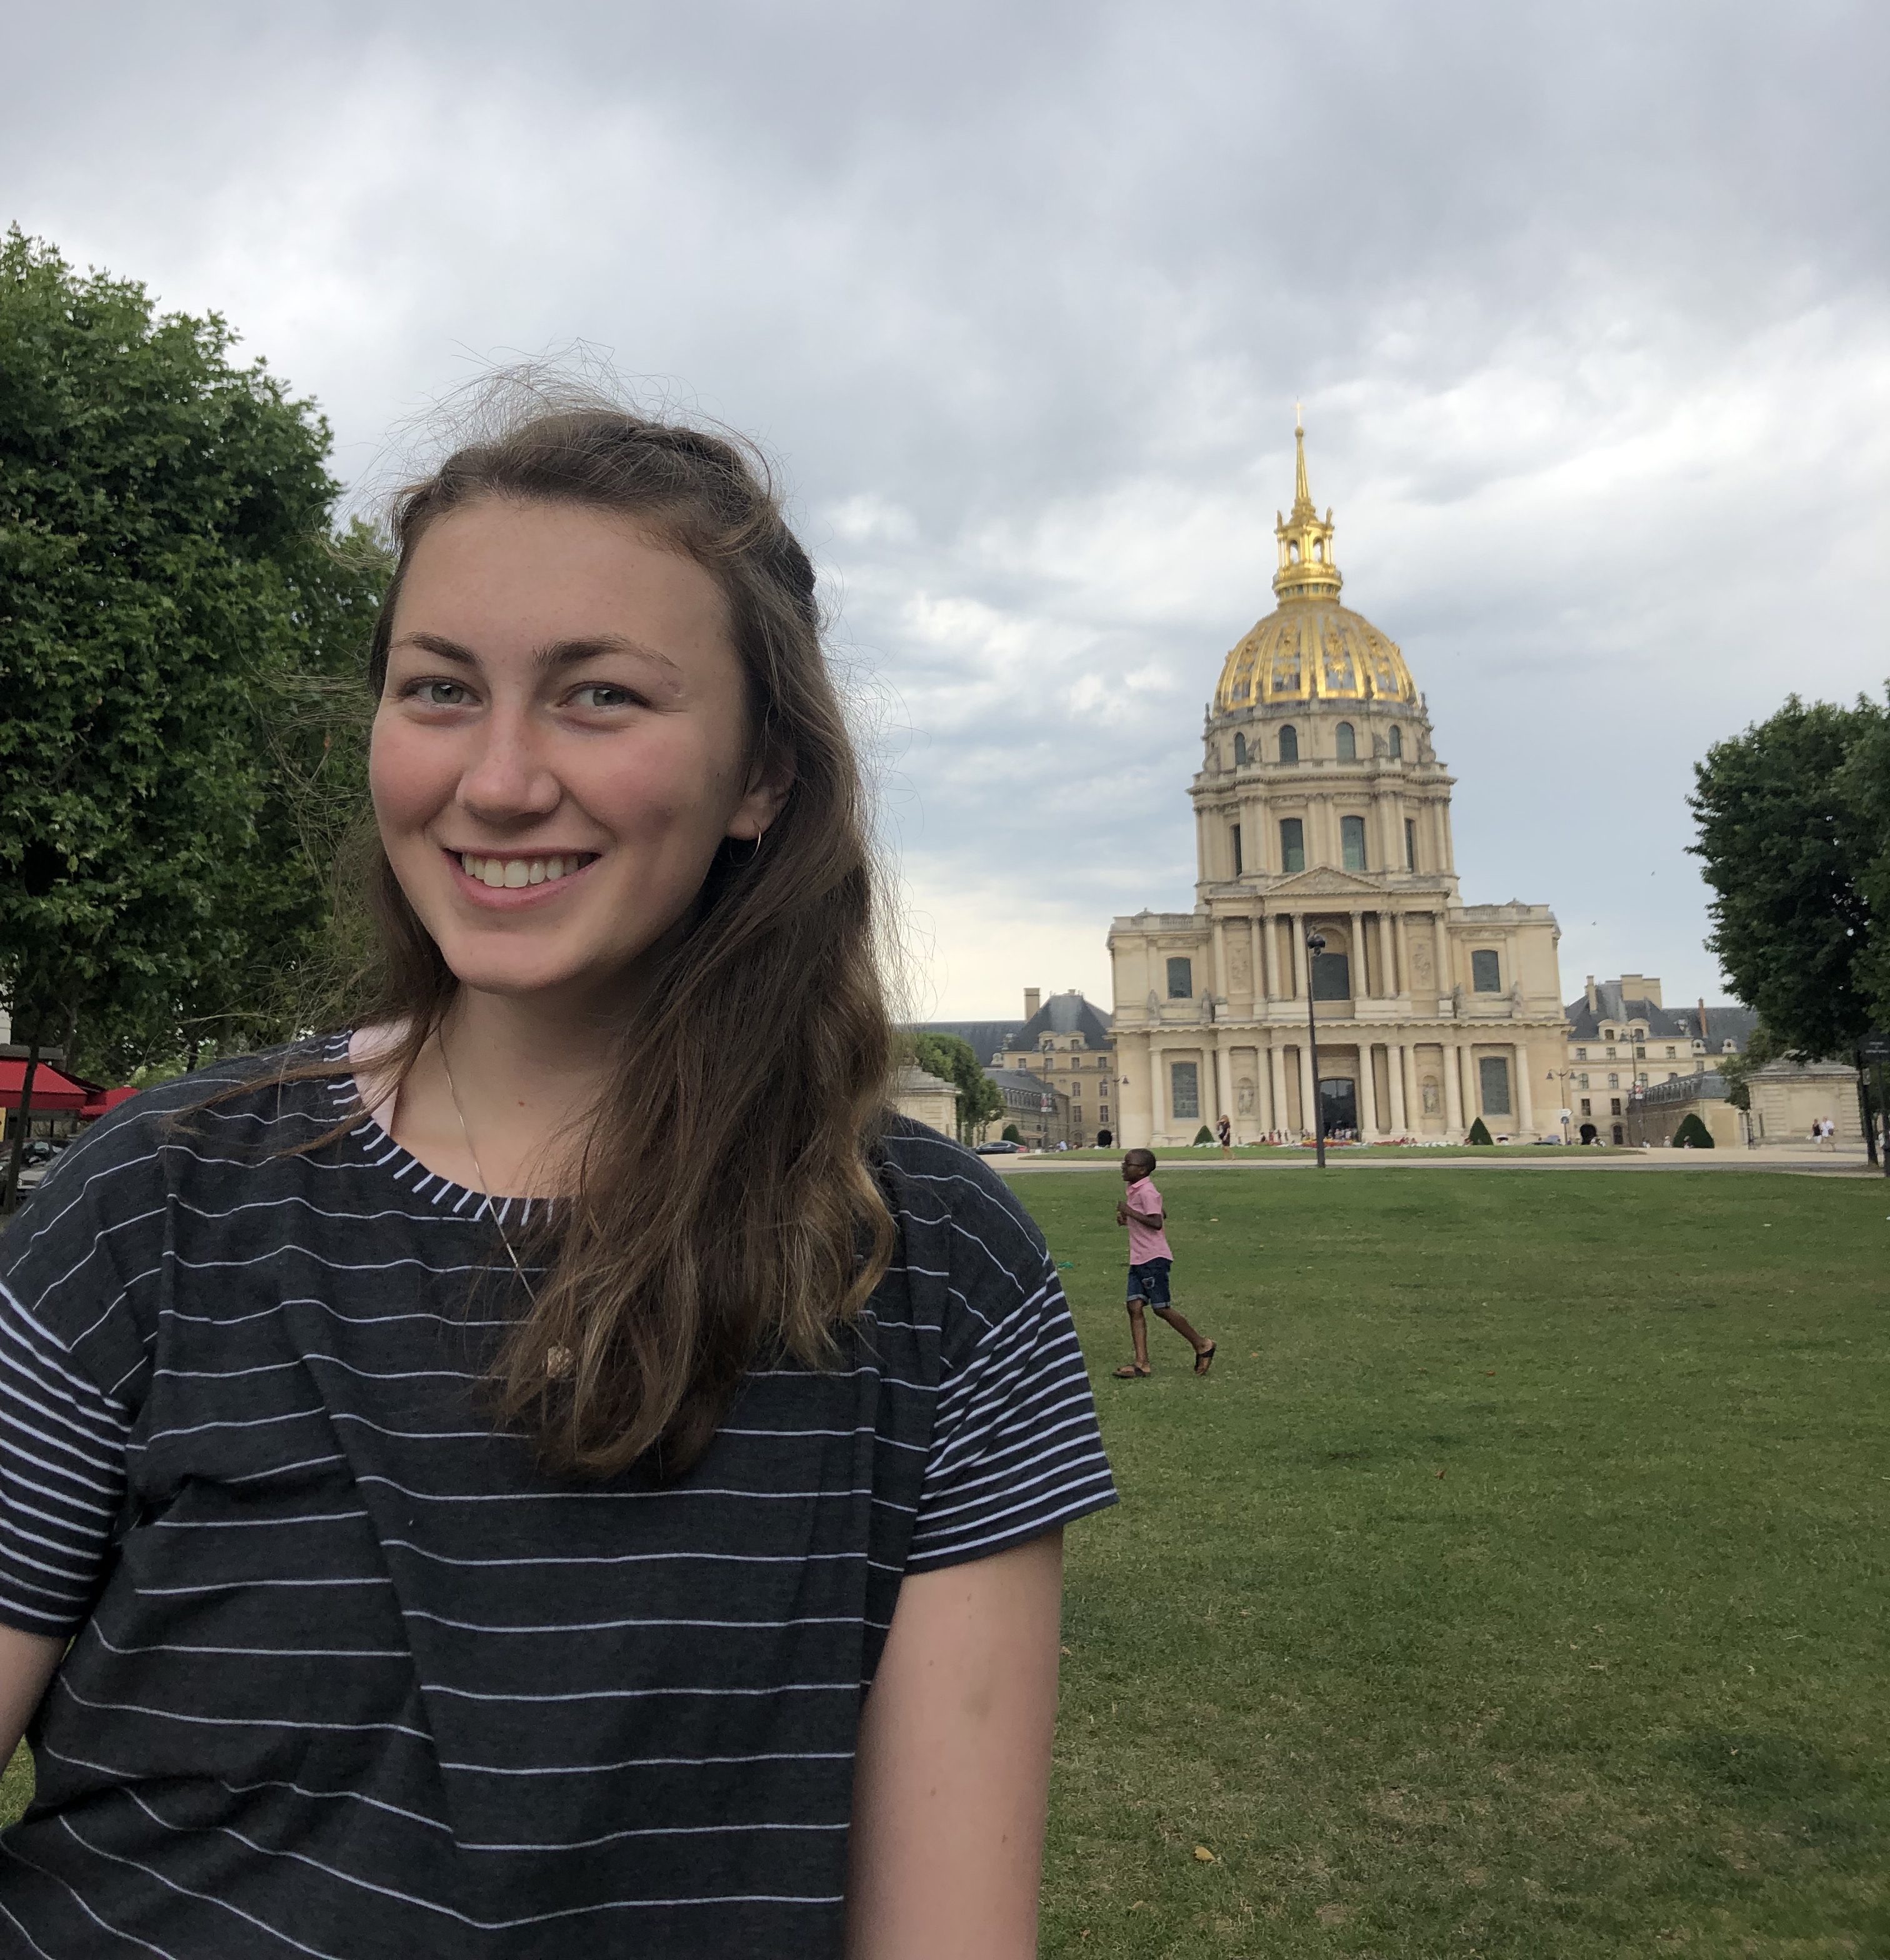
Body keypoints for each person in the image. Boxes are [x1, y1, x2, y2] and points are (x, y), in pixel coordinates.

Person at [0, 400, 1117, 1960]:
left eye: (599, 696)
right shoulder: (150, 1207)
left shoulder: (933, 1272)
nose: (502, 781)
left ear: (763, 780)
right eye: (439, 690)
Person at [1112, 1149, 1214, 1379]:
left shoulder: (1147, 1190)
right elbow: (1161, 1212)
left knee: (1161, 1308)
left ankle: (1202, 1345)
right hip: (1139, 1258)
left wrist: (1130, 1212)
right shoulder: (1135, 1188)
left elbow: (1157, 1222)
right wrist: (1128, 1218)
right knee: (1134, 1307)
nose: (1123, 1166)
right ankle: (1142, 1364)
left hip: (1153, 1259)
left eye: (1128, 1164)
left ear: (1142, 1170)